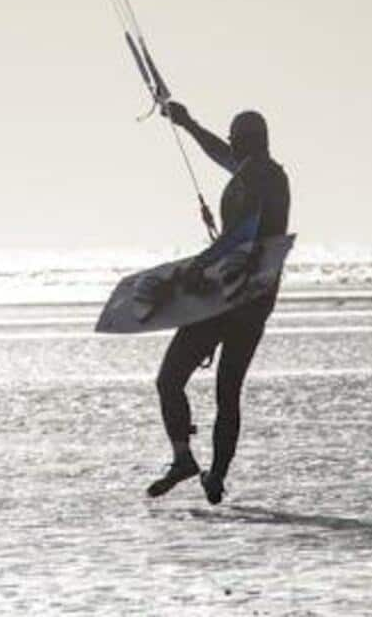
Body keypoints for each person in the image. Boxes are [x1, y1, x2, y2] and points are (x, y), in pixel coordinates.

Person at [144, 101, 291, 504]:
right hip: (255, 300)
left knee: (171, 379)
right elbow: (219, 154)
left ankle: (185, 459)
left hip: (229, 298)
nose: (231, 151)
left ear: (246, 144)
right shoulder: (258, 170)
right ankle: (213, 476)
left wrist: (198, 266)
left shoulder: (262, 176)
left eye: (235, 144)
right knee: (227, 390)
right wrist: (188, 124)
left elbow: (242, 233)